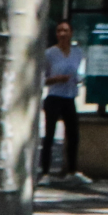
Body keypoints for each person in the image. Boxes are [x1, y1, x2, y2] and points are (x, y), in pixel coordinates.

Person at [43, 20, 85, 181]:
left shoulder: (77, 53)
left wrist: (78, 79)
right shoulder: (50, 54)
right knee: (49, 135)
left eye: (65, 30)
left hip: (70, 97)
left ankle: (72, 172)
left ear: (71, 33)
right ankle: (46, 173)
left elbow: (79, 74)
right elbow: (42, 79)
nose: (62, 34)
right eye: (59, 30)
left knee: (73, 135)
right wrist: (56, 79)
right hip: (54, 97)